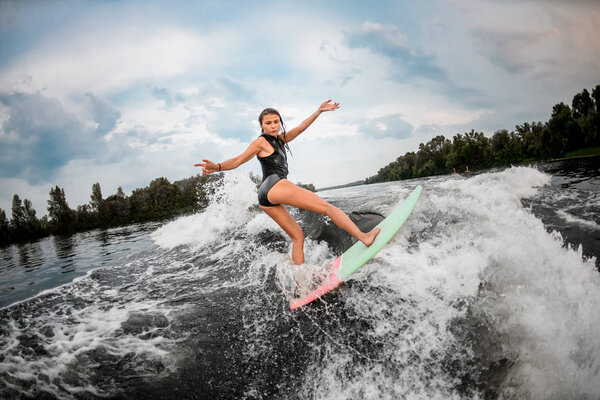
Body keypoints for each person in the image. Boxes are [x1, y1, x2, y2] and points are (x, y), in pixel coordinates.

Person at [196, 100, 380, 265]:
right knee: (327, 208)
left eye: (276, 122)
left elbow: (300, 128)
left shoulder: (281, 139)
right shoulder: (260, 142)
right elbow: (238, 160)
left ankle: (301, 283)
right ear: (261, 125)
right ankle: (364, 237)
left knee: (298, 237)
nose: (273, 126)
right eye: (268, 123)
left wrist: (318, 112)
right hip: (275, 185)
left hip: (266, 197)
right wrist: (218, 166)